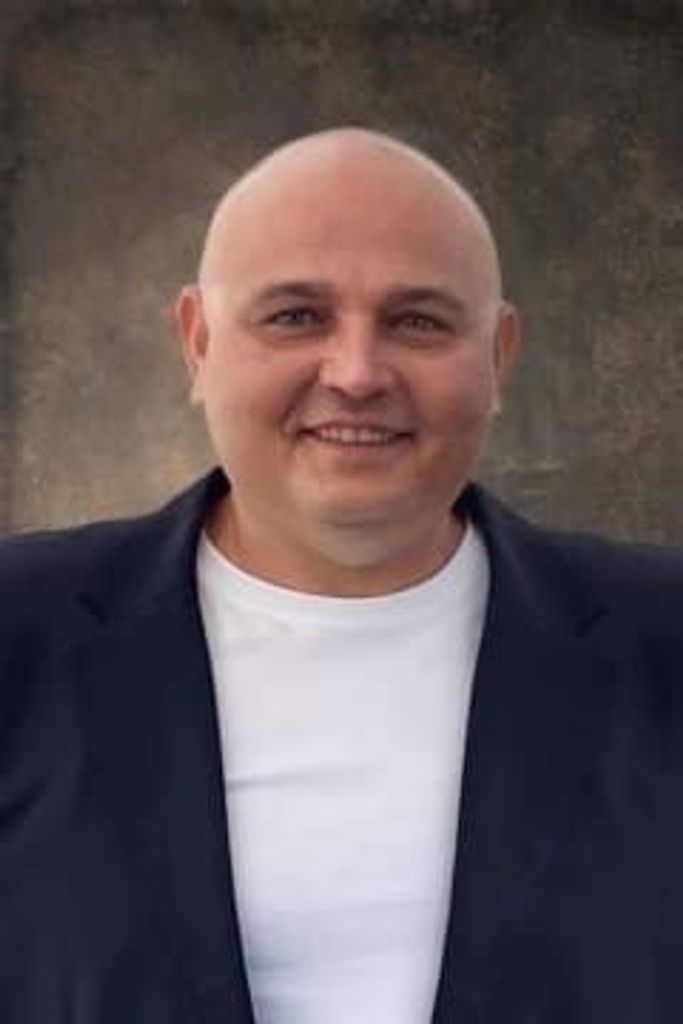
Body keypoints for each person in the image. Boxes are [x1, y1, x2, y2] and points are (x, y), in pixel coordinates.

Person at [0, 127, 681, 1024]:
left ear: (497, 356)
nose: (357, 373)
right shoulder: (18, 633)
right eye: (295, 315)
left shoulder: (663, 642)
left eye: (417, 321)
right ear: (197, 342)